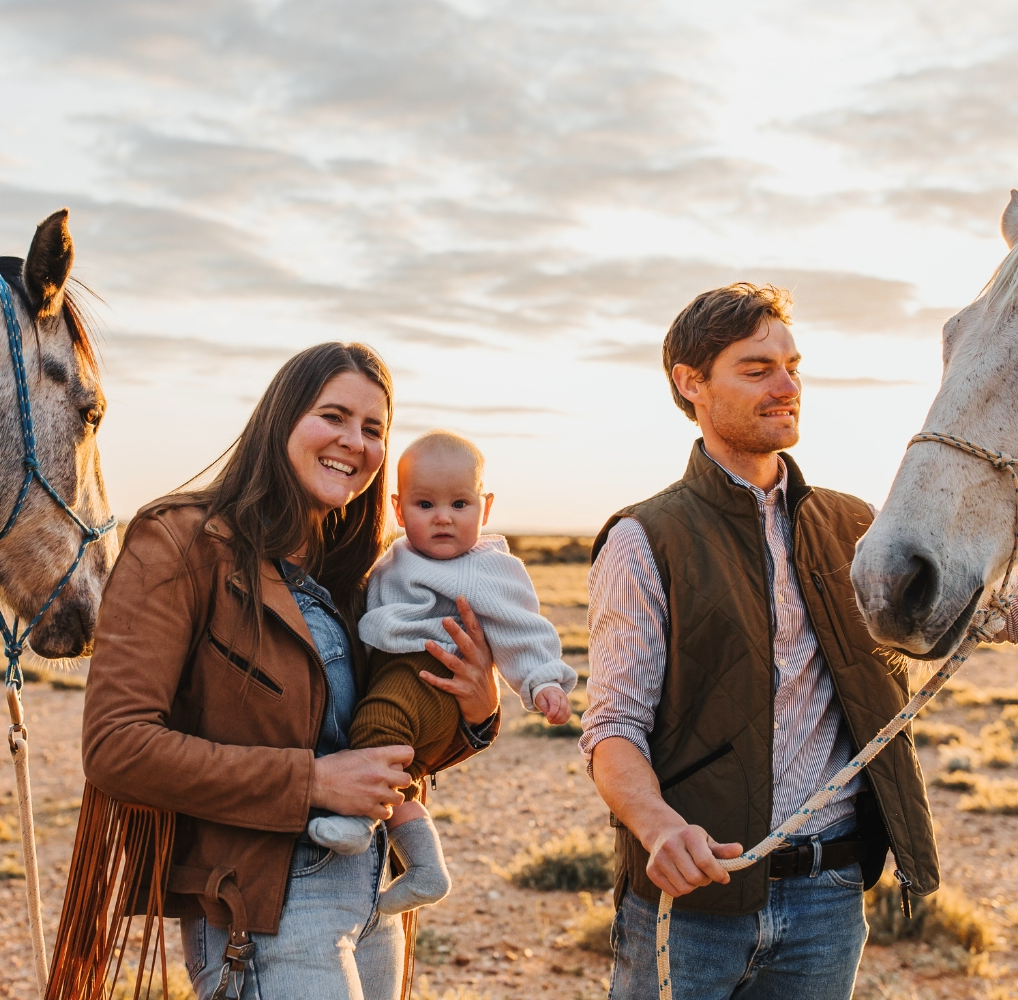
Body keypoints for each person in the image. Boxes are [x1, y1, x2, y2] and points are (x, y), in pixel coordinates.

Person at [80, 343, 502, 1000]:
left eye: (372, 429)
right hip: (263, 906)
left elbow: (377, 750)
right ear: (281, 420)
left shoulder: (356, 575)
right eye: (332, 416)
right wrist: (310, 781)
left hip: (370, 896)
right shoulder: (180, 541)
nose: (352, 442)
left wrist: (476, 713)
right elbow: (117, 748)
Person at [580, 284, 938, 1000]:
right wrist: (659, 829)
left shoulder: (855, 523)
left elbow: (937, 620)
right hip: (694, 898)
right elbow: (613, 728)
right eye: (756, 369)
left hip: (829, 897)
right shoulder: (644, 539)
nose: (787, 386)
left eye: (792, 365)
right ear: (691, 384)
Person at [308, 431, 578, 913]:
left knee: (378, 726)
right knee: (400, 768)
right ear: (397, 507)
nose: (443, 517)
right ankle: (426, 868)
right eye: (425, 504)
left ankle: (356, 818)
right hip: (398, 674)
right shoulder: (394, 557)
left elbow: (522, 628)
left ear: (485, 507)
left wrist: (542, 682)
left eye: (459, 504)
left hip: (430, 674)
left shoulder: (488, 569)